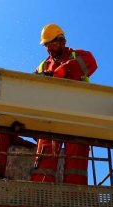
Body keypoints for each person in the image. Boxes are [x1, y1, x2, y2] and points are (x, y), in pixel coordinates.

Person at [31, 24, 98, 185]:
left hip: (78, 115)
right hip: (51, 118)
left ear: (61, 41)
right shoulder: (43, 66)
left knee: (77, 157)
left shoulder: (77, 55)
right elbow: (31, 90)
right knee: (45, 155)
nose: (48, 49)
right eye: (46, 45)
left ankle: (75, 195)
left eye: (51, 44)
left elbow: (91, 63)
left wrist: (61, 72)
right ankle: (40, 192)